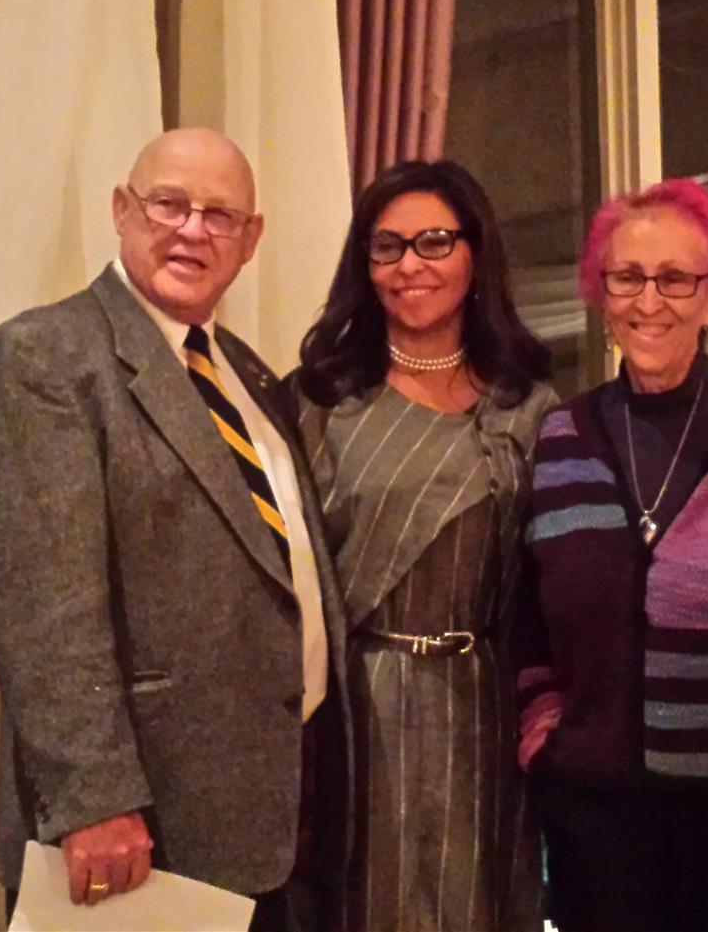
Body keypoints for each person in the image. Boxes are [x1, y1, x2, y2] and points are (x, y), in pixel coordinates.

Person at [0, 128, 349, 931]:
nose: (191, 230)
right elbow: (41, 609)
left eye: (219, 214)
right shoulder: (46, 356)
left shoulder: (245, 371)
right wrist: (94, 798)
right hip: (136, 832)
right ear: (121, 210)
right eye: (169, 203)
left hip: (270, 818)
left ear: (250, 239)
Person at [515, 178, 708, 932]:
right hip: (594, 815)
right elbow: (525, 612)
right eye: (627, 277)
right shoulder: (560, 437)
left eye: (675, 278)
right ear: (603, 294)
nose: (649, 300)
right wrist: (543, 732)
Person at [291, 159, 555, 932]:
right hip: (358, 709)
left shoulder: (530, 404)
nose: (410, 264)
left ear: (476, 255)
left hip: (484, 707)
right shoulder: (319, 401)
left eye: (434, 241)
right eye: (387, 246)